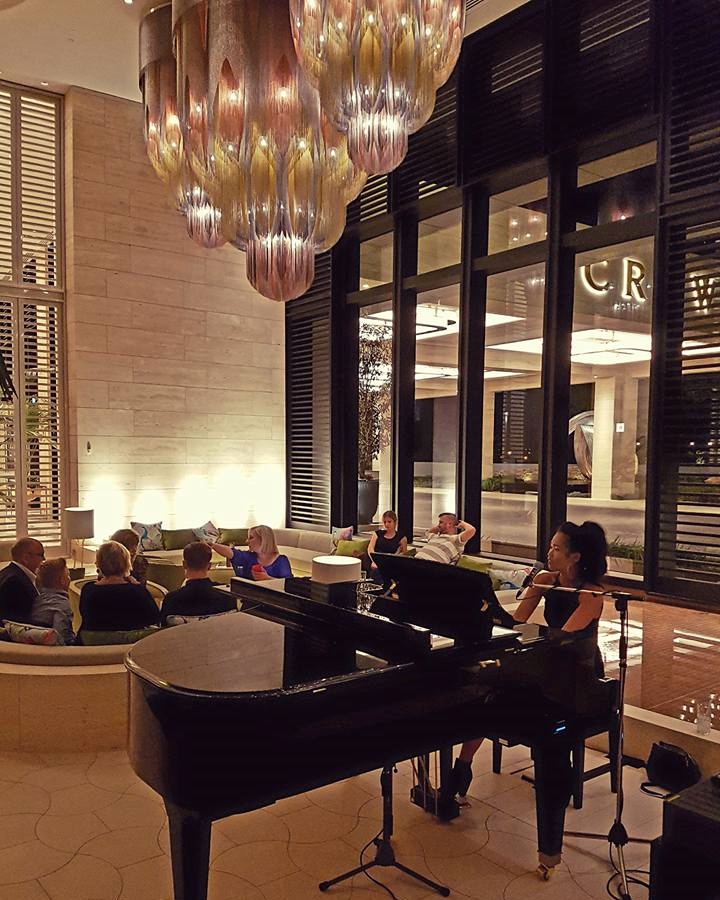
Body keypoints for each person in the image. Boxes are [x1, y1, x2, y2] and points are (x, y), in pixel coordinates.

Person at [450, 520, 609, 803]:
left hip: (577, 669)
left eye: (556, 548)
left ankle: (557, 771)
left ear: (575, 556)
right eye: (551, 546)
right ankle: (462, 767)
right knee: (486, 691)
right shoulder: (547, 579)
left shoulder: (591, 594)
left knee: (518, 689)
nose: (549, 552)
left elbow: (565, 639)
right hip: (550, 660)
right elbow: (517, 621)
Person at [78, 540, 160, 635]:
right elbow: (154, 618)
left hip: (94, 642)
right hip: (130, 642)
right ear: (126, 563)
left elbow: (85, 617)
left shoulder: (88, 590)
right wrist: (138, 585)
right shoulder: (137, 591)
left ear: (99, 564)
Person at [160, 542, 237, 626]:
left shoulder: (171, 600)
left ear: (184, 564)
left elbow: (162, 628)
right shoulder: (228, 596)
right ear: (209, 566)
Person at [209, 525, 292, 581]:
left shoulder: (281, 561)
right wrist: (212, 544)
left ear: (263, 539)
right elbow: (232, 553)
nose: (247, 541)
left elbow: (288, 586)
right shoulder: (249, 557)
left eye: (251, 538)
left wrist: (267, 578)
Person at [28, 557, 75, 644]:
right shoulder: (62, 604)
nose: (69, 578)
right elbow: (60, 636)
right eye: (68, 575)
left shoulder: (38, 600)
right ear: (62, 581)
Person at [0, 537, 44, 622]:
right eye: (41, 555)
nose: (44, 559)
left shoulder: (7, 573)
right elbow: (20, 619)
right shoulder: (14, 582)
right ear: (25, 558)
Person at [367, 510, 408, 578]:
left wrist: (396, 554)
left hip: (391, 562)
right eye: (384, 522)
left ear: (395, 522)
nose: (386, 524)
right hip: (376, 560)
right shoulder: (377, 534)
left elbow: (404, 554)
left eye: (389, 522)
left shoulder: (401, 537)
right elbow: (370, 548)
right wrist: (374, 561)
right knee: (376, 571)